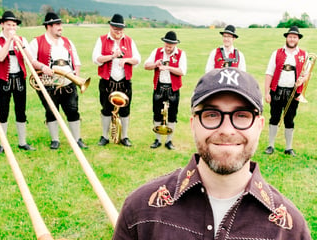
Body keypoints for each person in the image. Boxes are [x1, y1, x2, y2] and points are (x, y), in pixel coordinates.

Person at [113, 67, 311, 239]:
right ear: (193, 124)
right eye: (211, 115)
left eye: (242, 115)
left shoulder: (290, 230)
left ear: (259, 126)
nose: (226, 130)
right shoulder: (141, 210)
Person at [30, 12, 87, 150]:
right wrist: (43, 67)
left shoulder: (68, 42)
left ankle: (77, 139)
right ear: (48, 26)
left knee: (73, 111)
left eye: (60, 24)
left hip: (68, 83)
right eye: (57, 25)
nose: (60, 27)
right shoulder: (36, 41)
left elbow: (76, 62)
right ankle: (55, 140)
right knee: (51, 111)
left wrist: (76, 79)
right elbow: (31, 60)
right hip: (48, 83)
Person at [0, 11, 35, 154]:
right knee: (3, 112)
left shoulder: (21, 39)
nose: (11, 28)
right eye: (8, 25)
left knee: (21, 111)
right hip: (4, 80)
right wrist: (9, 40)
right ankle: (3, 144)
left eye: (14, 25)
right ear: (2, 24)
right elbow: (0, 57)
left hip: (19, 79)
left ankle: (22, 142)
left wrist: (22, 45)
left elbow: (30, 60)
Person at [92, 13, 141, 147]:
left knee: (125, 110)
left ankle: (124, 137)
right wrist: (112, 56)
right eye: (116, 29)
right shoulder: (102, 40)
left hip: (124, 82)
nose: (118, 32)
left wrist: (126, 60)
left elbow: (137, 60)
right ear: (110, 27)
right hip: (107, 82)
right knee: (106, 109)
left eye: (121, 30)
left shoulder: (129, 41)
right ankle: (104, 136)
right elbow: (96, 59)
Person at [264, 26, 308, 157]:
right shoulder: (276, 53)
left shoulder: (303, 54)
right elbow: (269, 73)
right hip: (276, 91)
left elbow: (307, 73)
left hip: (293, 92)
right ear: (287, 38)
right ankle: (270, 145)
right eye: (290, 36)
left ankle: (288, 148)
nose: (292, 39)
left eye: (295, 37)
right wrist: (267, 92)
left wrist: (302, 80)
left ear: (298, 39)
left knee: (289, 119)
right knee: (274, 117)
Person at [144, 31, 187, 150]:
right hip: (159, 86)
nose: (168, 48)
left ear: (175, 44)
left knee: (172, 114)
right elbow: (146, 66)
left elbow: (182, 71)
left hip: (173, 88)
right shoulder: (157, 52)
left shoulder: (181, 54)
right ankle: (157, 140)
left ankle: (169, 141)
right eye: (166, 45)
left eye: (170, 46)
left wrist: (167, 67)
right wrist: (155, 64)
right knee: (157, 113)